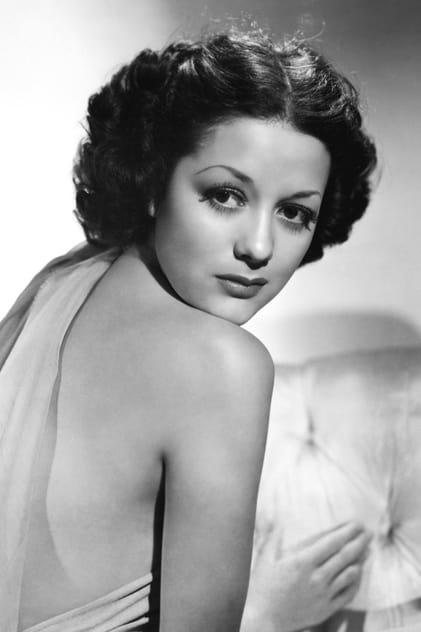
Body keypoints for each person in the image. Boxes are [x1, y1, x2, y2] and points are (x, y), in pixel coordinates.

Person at [0, 24, 377, 632]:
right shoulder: (223, 363)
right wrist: (269, 616)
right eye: (226, 195)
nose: (259, 247)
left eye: (293, 212)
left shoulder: (68, 283)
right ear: (153, 181)